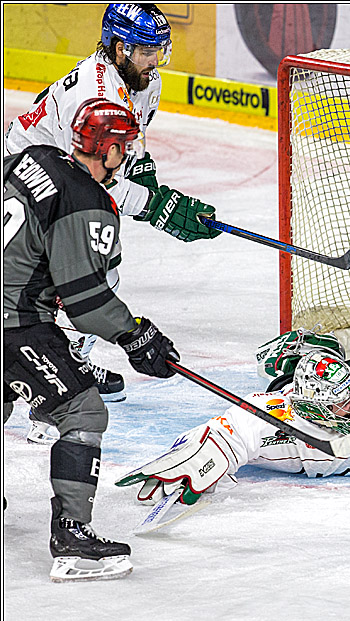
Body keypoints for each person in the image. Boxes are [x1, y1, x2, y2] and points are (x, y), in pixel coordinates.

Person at [5, 3, 218, 418]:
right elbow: (92, 178)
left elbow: (126, 147)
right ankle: (52, 373)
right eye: (147, 52)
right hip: (30, 173)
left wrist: (147, 177)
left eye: (160, 51)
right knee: (81, 275)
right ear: (120, 48)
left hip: (63, 172)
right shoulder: (95, 93)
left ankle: (61, 360)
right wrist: (159, 206)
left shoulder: (144, 80)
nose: (155, 61)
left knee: (99, 263)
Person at [4, 98, 181, 581]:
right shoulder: (86, 200)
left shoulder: (32, 157)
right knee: (82, 411)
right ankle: (73, 540)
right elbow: (85, 302)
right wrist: (136, 335)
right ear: (110, 150)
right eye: (124, 147)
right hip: (14, 321)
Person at [116, 349, 350, 508]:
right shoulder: (279, 417)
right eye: (341, 404)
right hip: (294, 398)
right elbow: (229, 429)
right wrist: (204, 458)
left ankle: (310, 348)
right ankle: (288, 356)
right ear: (315, 408)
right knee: (281, 379)